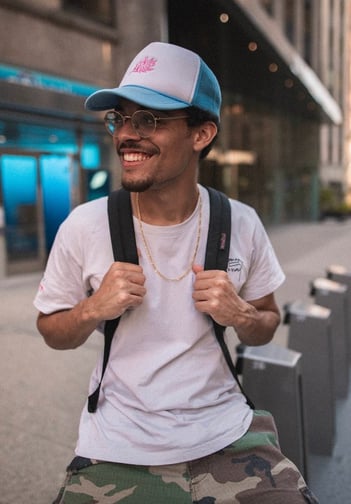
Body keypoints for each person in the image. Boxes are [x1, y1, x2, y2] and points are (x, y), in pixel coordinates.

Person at [34, 42, 318, 503]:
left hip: (227, 433)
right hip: (116, 444)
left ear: (201, 133)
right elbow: (51, 330)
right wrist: (91, 309)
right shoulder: (86, 225)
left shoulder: (240, 223)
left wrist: (240, 313)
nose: (127, 134)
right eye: (120, 118)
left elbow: (266, 324)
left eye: (149, 119)